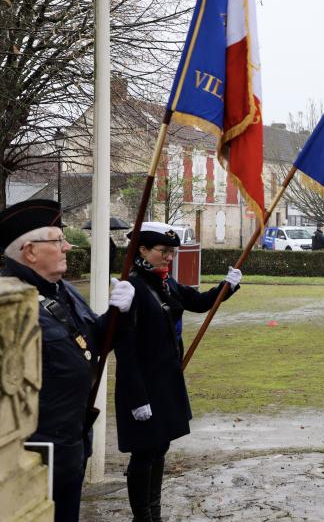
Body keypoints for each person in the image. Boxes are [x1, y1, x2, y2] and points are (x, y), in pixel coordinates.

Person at [0, 199, 135, 522]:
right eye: (58, 240)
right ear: (30, 251)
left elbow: (95, 342)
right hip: (33, 451)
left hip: (70, 443)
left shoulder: (62, 290)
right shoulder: (11, 304)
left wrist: (121, 313)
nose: (67, 246)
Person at [115, 222, 242, 522]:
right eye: (164, 251)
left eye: (172, 252)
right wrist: (136, 398)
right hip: (143, 385)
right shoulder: (132, 288)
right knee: (144, 452)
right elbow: (126, 350)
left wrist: (228, 286)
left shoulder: (164, 283)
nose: (169, 257)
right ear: (142, 250)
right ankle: (143, 517)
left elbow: (198, 302)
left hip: (166, 381)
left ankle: (154, 513)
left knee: (160, 447)